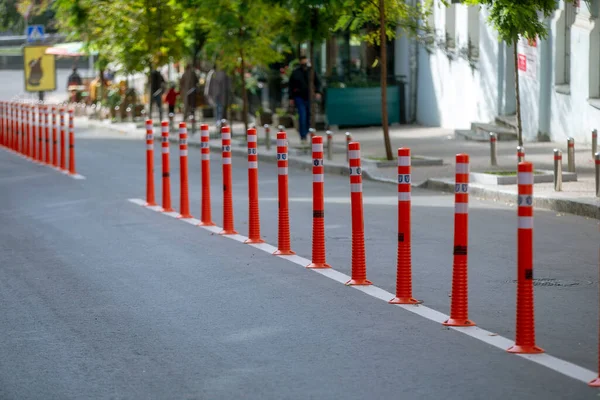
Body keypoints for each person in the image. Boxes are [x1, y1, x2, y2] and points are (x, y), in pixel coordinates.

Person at [288, 56, 321, 143]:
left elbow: (317, 82)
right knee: (302, 115)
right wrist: (291, 97)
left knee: (308, 115)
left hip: (309, 96)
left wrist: (317, 92)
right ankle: (303, 135)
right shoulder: (296, 73)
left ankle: (306, 132)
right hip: (299, 96)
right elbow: (291, 86)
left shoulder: (311, 71)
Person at [206, 62, 230, 128]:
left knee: (220, 108)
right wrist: (208, 94)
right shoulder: (212, 73)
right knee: (217, 108)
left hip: (222, 94)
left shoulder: (224, 73)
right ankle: (218, 122)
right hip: (214, 94)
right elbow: (208, 84)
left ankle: (219, 122)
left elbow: (227, 84)